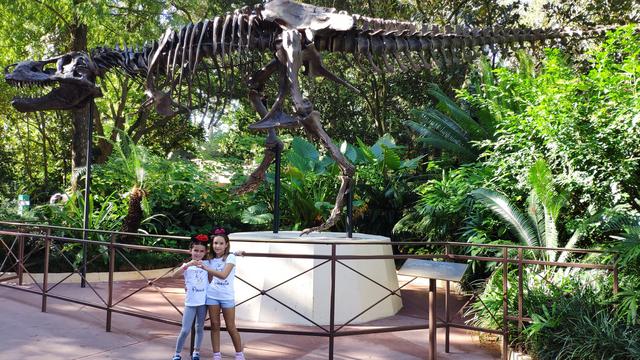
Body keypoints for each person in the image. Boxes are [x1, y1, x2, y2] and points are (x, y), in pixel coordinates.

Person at [201, 227, 246, 360]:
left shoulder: (230, 257)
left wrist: (207, 268)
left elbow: (223, 275)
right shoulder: (209, 258)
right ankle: (216, 355)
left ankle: (239, 354)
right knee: (214, 325)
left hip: (227, 297)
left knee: (230, 326)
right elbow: (196, 256)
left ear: (226, 245)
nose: (218, 246)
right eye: (215, 243)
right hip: (212, 295)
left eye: (221, 243)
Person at [171, 234, 210, 360]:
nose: (198, 253)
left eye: (201, 251)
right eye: (196, 250)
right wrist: (187, 265)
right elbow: (174, 275)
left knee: (199, 328)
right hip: (190, 302)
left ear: (206, 252)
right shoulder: (187, 266)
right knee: (185, 329)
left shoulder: (207, 264)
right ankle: (177, 353)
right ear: (190, 251)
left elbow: (213, 276)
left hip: (203, 302)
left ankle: (196, 352)